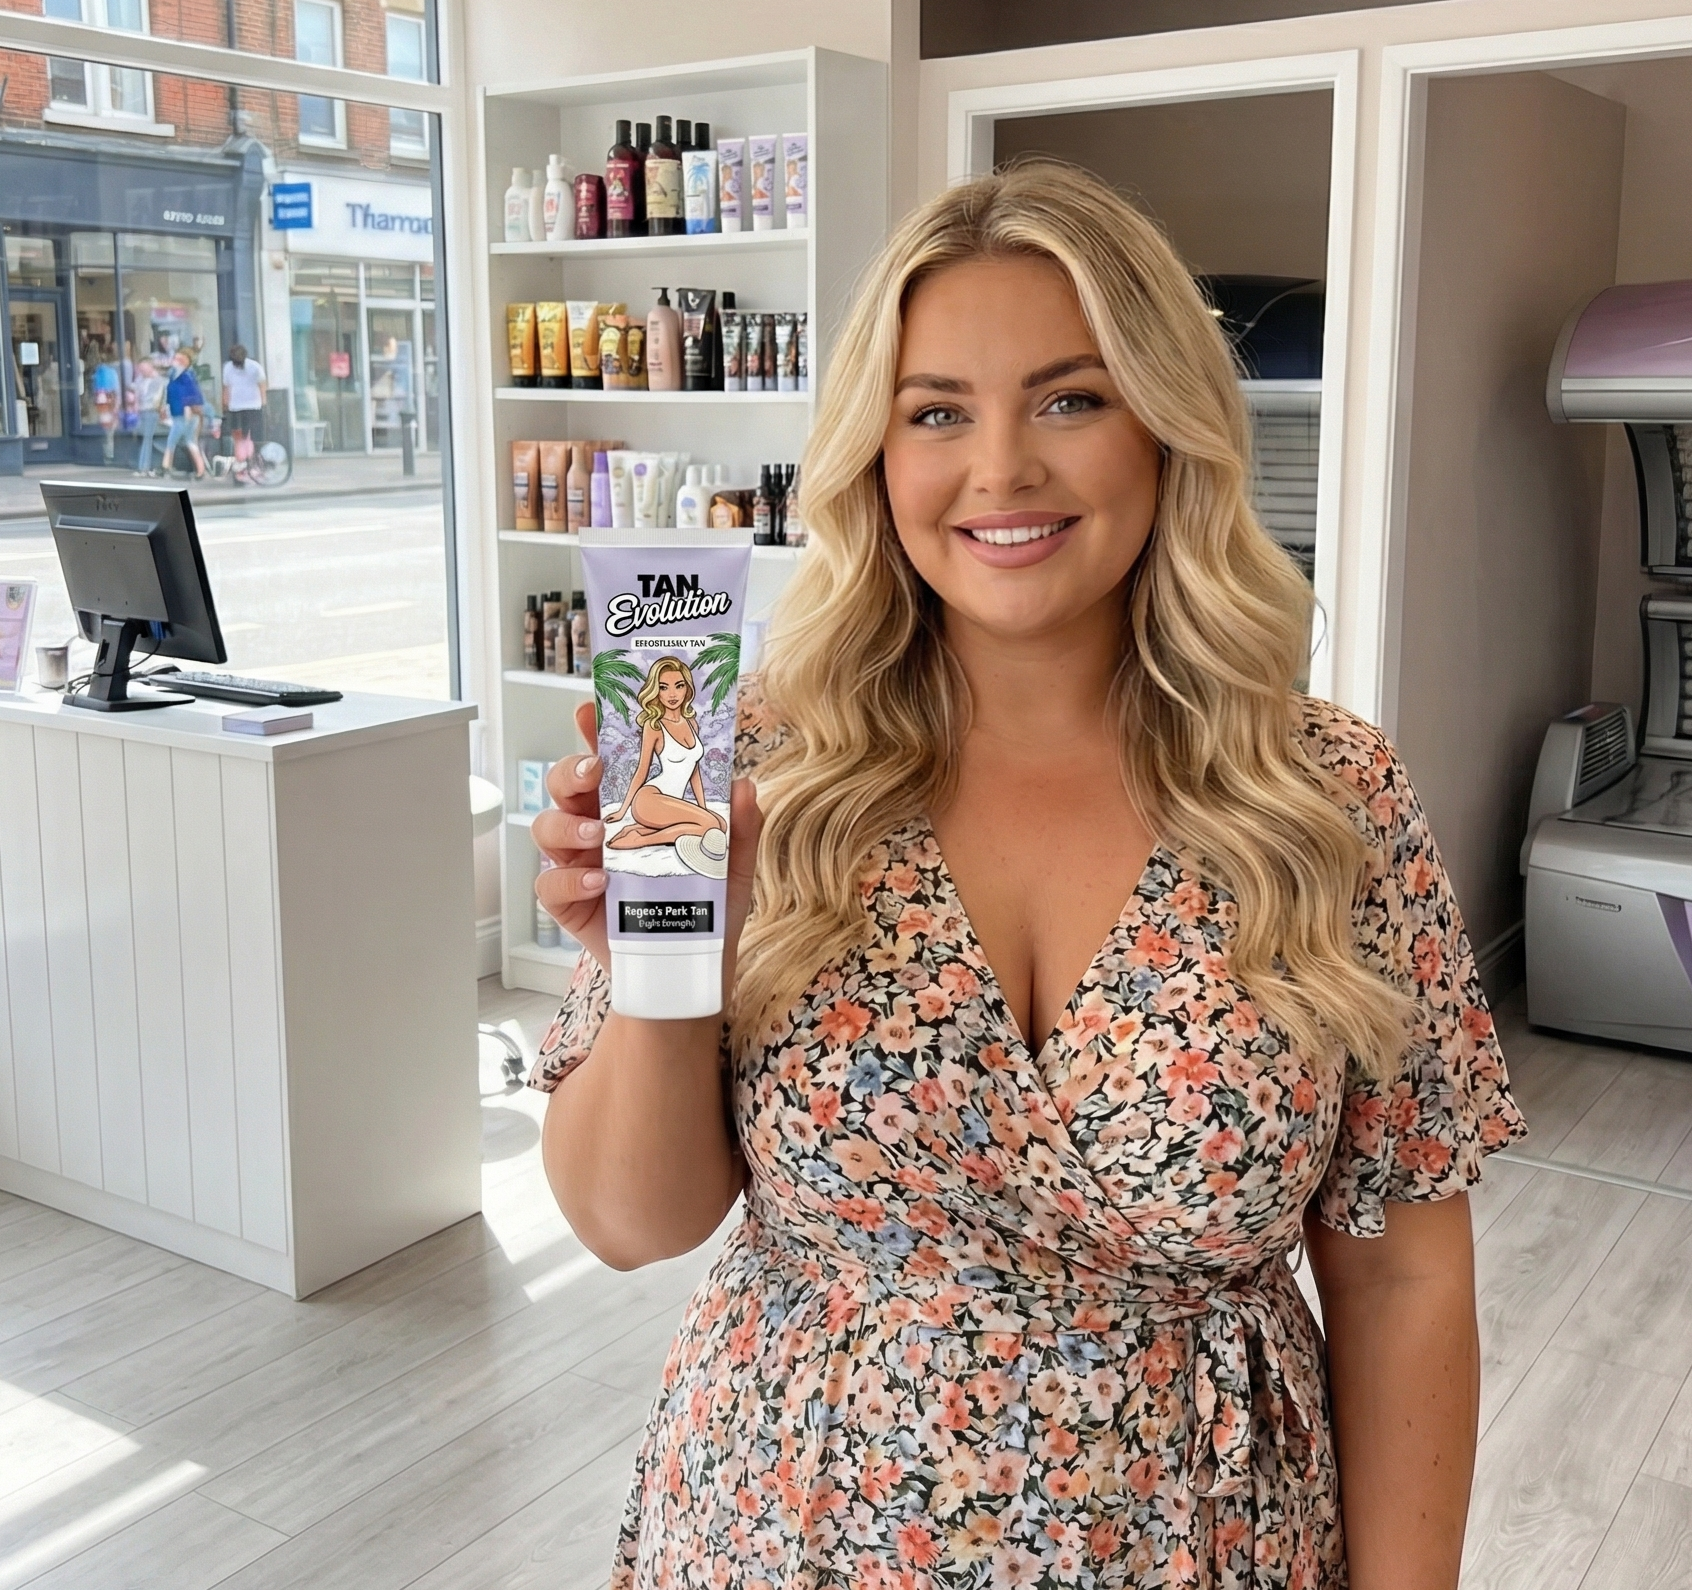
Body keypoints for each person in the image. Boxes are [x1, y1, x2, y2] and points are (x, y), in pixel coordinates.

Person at [529, 163, 1525, 1589]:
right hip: (787, 1528)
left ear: (1166, 427)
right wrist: (669, 962)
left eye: (1071, 397)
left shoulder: (1325, 794)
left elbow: (1407, 1270)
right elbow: (632, 1224)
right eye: (937, 412)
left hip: (1205, 1540)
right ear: (876, 454)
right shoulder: (737, 762)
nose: (1000, 470)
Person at [604, 657, 728, 853]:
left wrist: (702, 807)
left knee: (720, 824)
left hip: (671, 803)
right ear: (656, 691)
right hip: (650, 799)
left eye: (679, 686)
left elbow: (694, 770)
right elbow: (641, 771)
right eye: (663, 687)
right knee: (710, 826)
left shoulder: (691, 723)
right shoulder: (654, 726)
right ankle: (640, 840)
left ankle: (639, 830)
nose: (672, 694)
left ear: (687, 688)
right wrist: (622, 811)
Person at [162, 349, 207, 479]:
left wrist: (188, 406)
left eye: (180, 360)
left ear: (187, 362)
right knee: (190, 441)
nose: (176, 362)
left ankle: (166, 467)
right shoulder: (175, 376)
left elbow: (193, 394)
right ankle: (200, 470)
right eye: (176, 359)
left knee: (172, 440)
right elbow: (171, 394)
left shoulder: (186, 376)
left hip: (185, 413)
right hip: (180, 412)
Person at [222, 343, 267, 456]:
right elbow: (227, 388)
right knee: (243, 436)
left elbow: (262, 385)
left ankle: (249, 459)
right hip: (240, 406)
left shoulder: (254, 367)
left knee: (245, 436)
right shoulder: (253, 366)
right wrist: (225, 404)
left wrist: (225, 405)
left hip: (250, 405)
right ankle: (245, 459)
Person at [132, 357, 166, 474]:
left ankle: (144, 467)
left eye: (144, 369)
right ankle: (147, 467)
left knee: (147, 439)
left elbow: (161, 399)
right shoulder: (139, 379)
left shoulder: (159, 380)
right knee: (145, 439)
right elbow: (136, 394)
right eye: (140, 369)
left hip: (153, 412)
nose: (142, 371)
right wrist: (135, 406)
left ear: (151, 367)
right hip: (142, 412)